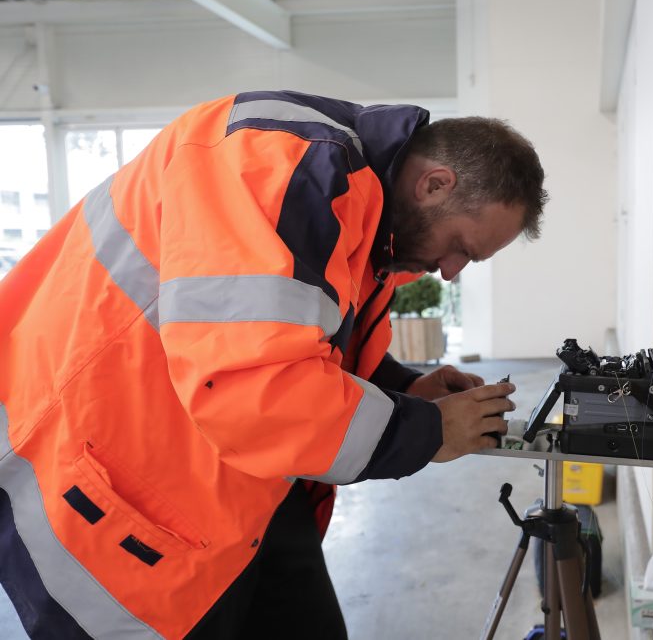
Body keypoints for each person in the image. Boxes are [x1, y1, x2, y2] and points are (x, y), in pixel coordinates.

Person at [0, 90, 548, 639]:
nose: (450, 271)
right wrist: (429, 430)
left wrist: (404, 387)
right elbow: (255, 392)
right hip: (111, 483)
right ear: (434, 185)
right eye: (462, 247)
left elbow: (295, 338)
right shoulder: (286, 165)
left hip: (231, 480)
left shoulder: (358, 201)